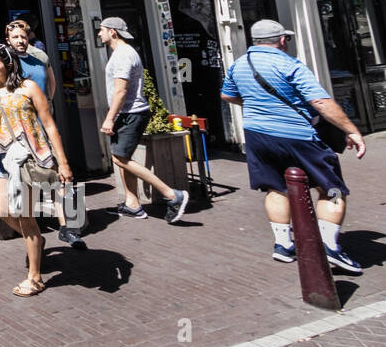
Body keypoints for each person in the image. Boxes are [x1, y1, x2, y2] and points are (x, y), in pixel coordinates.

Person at [220, 19, 367, 271]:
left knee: (275, 188)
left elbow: (227, 94)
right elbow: (320, 102)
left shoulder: (239, 65)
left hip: (258, 135)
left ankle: (283, 245)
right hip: (296, 135)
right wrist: (351, 130)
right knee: (331, 188)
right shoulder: (289, 64)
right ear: (282, 40)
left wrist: (259, 107)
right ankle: (330, 246)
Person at [0, 44, 74, 296]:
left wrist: (62, 161)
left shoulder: (28, 88)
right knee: (1, 210)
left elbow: (49, 125)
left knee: (24, 214)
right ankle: (36, 240)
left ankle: (35, 277)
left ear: (9, 65)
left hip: (24, 156)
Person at [98, 17, 190, 223]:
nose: (99, 33)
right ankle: (133, 204)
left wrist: (109, 118)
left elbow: (121, 90)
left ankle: (173, 195)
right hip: (129, 113)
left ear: (113, 32)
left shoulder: (123, 55)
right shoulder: (122, 53)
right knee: (124, 158)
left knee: (119, 158)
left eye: (101, 30)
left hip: (130, 113)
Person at [6, 20, 83, 248]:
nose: (20, 41)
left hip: (41, 127)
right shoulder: (7, 64)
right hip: (19, 132)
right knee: (25, 180)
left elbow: (51, 85)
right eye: (15, 37)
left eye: (23, 36)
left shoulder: (38, 59)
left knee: (55, 175)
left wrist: (44, 108)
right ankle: (33, 235)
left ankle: (67, 227)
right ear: (8, 40)